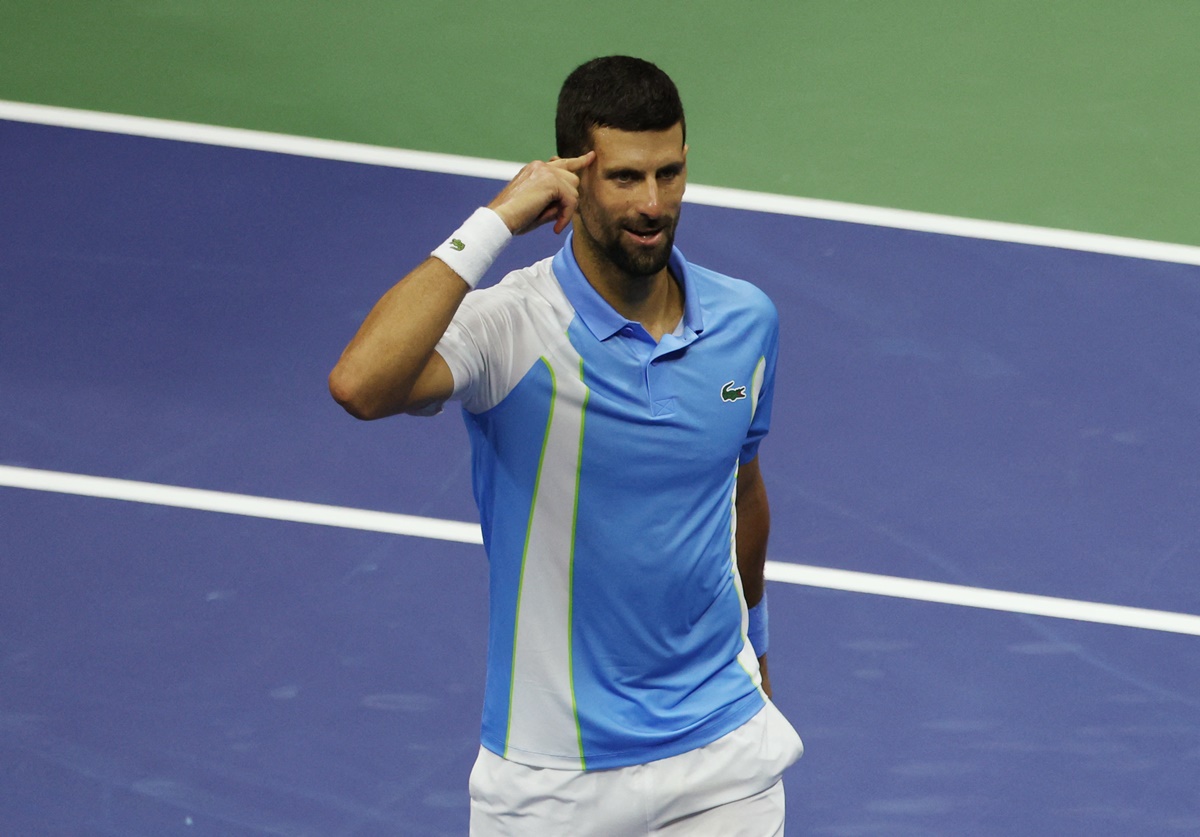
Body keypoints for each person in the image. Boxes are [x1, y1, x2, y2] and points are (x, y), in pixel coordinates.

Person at [329, 55, 803, 835]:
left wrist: (758, 647)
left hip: (723, 753)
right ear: (572, 179)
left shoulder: (746, 321)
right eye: (624, 178)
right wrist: (496, 220)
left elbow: (743, 492)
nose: (654, 203)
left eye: (670, 172)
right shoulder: (510, 329)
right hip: (552, 782)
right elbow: (361, 383)